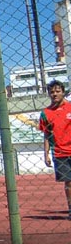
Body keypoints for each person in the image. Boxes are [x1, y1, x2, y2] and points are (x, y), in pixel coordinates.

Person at [39, 79, 71, 220]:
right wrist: (46, 153)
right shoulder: (46, 113)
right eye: (52, 92)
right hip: (60, 152)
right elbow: (46, 134)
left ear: (63, 92)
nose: (55, 94)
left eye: (58, 91)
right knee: (68, 183)